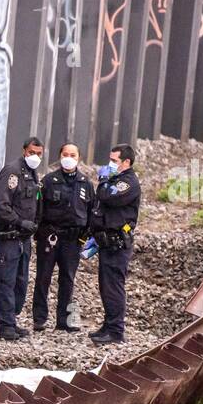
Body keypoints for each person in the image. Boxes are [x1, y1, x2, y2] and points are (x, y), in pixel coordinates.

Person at [32, 142, 93, 333]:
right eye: (65, 154)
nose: (69, 158)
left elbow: (92, 213)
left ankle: (64, 320)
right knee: (43, 277)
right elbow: (38, 210)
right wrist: (40, 234)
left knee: (68, 279)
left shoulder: (86, 184)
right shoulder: (48, 181)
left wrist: (85, 237)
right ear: (60, 156)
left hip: (73, 240)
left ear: (78, 158)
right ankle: (39, 319)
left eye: (73, 155)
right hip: (50, 236)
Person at [0, 137, 44, 340]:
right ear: (24, 151)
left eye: (39, 154)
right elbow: (0, 205)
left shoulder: (32, 173)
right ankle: (5, 324)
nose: (36, 157)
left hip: (24, 239)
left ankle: (11, 318)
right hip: (9, 236)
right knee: (6, 280)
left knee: (20, 281)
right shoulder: (12, 171)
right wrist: (20, 222)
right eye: (32, 152)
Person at [89, 143, 141, 345]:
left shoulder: (128, 183)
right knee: (105, 285)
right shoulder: (117, 179)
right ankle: (108, 325)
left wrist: (103, 179)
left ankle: (116, 331)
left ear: (126, 162)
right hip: (106, 242)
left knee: (114, 287)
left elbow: (106, 196)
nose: (109, 164)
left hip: (118, 244)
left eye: (114, 161)